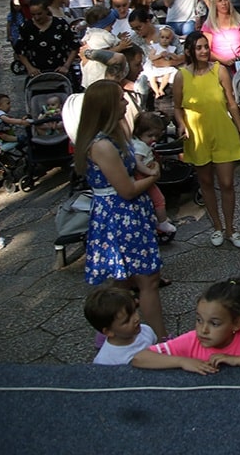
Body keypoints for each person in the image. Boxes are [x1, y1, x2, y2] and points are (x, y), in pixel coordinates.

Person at [75, 80, 167, 340]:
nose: (125, 102)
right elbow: (126, 190)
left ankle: (112, 335)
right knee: (147, 280)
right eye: (120, 99)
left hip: (126, 214)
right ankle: (161, 339)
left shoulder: (114, 135)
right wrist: (154, 177)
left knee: (123, 280)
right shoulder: (102, 145)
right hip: (120, 216)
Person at [174, 32, 240, 249]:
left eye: (206, 46)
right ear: (190, 51)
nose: (204, 51)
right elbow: (177, 106)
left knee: (226, 183)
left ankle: (231, 228)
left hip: (222, 132)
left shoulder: (219, 70)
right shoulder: (181, 76)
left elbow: (231, 103)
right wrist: (180, 124)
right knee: (205, 182)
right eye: (199, 47)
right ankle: (216, 226)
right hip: (197, 136)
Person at [133, 279, 240, 371]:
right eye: (199, 320)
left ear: (236, 323)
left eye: (214, 323)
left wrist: (236, 360)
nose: (203, 330)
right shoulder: (192, 340)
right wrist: (182, 361)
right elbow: (140, 358)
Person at [84, 285, 158, 366]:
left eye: (134, 311)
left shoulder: (146, 331)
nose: (136, 318)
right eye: (127, 320)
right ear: (109, 331)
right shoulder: (105, 361)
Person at [131, 112, 177, 239]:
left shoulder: (138, 142)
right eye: (150, 135)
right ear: (139, 133)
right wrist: (150, 172)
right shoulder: (140, 146)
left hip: (143, 175)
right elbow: (136, 162)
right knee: (159, 200)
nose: (153, 139)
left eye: (156, 136)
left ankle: (158, 220)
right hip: (143, 176)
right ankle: (163, 223)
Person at [16, 0, 79, 85]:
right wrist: (29, 67)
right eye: (33, 15)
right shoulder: (26, 27)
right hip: (37, 73)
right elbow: (19, 50)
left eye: (39, 14)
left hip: (60, 71)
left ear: (47, 10)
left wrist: (66, 66)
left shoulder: (60, 24)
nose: (36, 18)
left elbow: (74, 46)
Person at [201, 0, 240, 70]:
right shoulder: (208, 25)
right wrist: (224, 61)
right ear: (215, 4)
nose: (223, 3)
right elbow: (206, 51)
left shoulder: (239, 20)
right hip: (219, 65)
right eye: (220, 1)